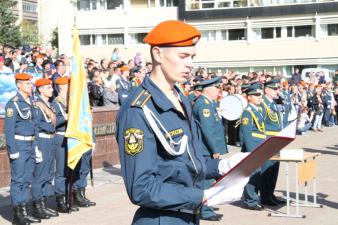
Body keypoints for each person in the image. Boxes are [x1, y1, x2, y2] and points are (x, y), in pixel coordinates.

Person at [115, 20, 239, 225]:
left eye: (192, 57)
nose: (190, 63)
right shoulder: (139, 110)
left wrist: (222, 165)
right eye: (183, 56)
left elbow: (187, 162)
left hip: (188, 214)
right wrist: (204, 197)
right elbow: (141, 188)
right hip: (162, 218)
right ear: (157, 54)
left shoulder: (181, 99)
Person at [5, 73, 41, 225]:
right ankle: (17, 214)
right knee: (18, 180)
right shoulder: (13, 104)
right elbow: (9, 130)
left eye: (30, 84)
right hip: (19, 146)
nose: (30, 86)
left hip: (31, 145)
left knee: (27, 180)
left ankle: (25, 211)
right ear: (19, 85)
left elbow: (35, 126)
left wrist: (37, 146)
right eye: (27, 84)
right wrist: (12, 150)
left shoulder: (31, 102)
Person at [192, 76, 226, 221]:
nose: (218, 91)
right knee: (206, 181)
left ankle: (207, 207)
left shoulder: (208, 103)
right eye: (216, 88)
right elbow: (208, 130)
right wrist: (215, 150)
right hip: (206, 150)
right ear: (210, 89)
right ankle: (205, 211)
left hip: (208, 149)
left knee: (210, 180)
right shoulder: (204, 104)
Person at [31, 78, 59, 219]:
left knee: (48, 174)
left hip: (51, 140)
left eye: (51, 87)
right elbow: (36, 126)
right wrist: (36, 147)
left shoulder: (49, 105)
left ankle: (44, 204)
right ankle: (37, 206)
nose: (51, 89)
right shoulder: (37, 105)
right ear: (40, 89)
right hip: (42, 140)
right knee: (40, 175)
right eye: (48, 87)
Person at [52, 77, 79, 213]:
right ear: (62, 87)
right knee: (61, 172)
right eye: (68, 85)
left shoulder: (70, 102)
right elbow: (54, 122)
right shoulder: (56, 103)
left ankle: (69, 199)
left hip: (71, 137)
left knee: (70, 170)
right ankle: (60, 200)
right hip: (61, 137)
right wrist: (66, 118)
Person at [260, 79, 286, 206]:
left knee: (274, 169)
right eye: (275, 89)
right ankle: (265, 196)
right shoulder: (262, 103)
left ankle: (270, 194)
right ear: (267, 90)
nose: (278, 91)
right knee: (267, 169)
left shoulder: (273, 103)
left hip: (277, 140)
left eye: (278, 89)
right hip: (268, 141)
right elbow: (261, 125)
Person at [240, 83, 265, 210]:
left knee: (257, 174)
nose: (259, 97)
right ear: (249, 97)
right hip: (252, 148)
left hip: (259, 146)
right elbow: (247, 134)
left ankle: (254, 198)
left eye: (260, 95)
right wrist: (251, 152)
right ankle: (250, 201)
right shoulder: (247, 112)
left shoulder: (257, 110)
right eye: (256, 95)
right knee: (251, 174)